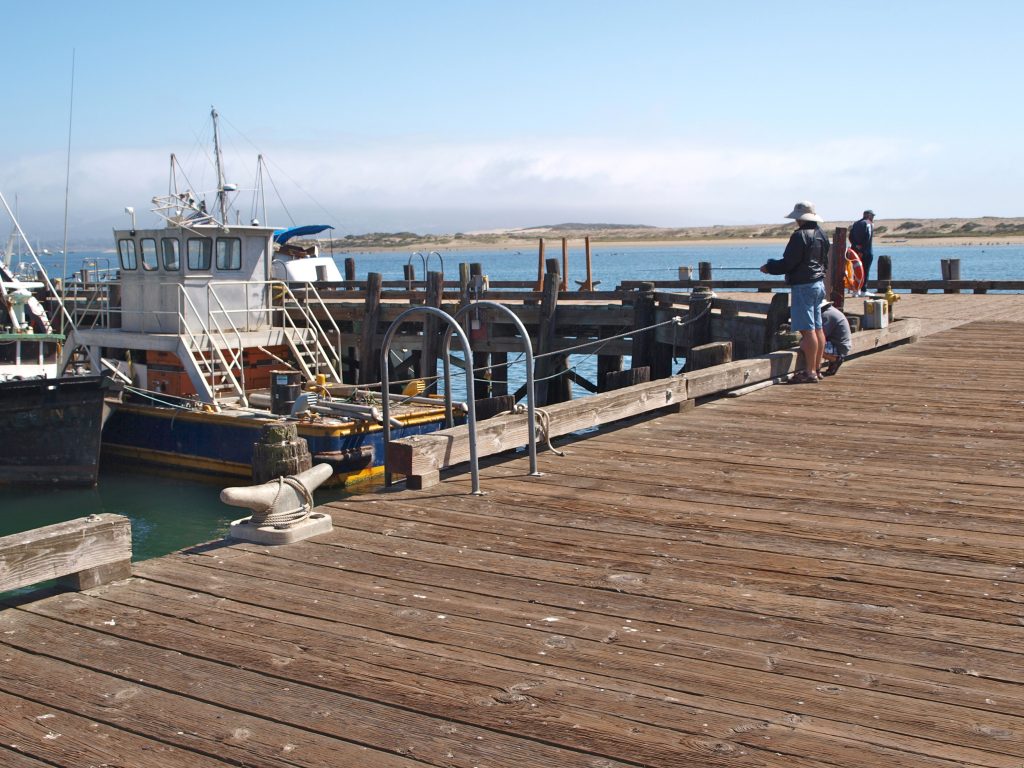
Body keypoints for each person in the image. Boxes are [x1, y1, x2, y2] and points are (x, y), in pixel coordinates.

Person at [760, 201, 829, 383]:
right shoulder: (822, 234)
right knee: (818, 327)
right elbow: (825, 262)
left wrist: (769, 267)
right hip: (818, 285)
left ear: (800, 218)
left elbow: (788, 262)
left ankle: (810, 372)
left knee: (807, 331)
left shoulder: (799, 236)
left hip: (804, 287)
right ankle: (817, 368)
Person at [820, 300, 852, 376]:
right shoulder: (832, 311)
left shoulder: (826, 315)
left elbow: (822, 335)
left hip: (839, 346)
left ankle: (834, 359)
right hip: (841, 344)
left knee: (810, 345)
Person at [849, 209, 875, 295]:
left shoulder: (855, 223)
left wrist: (856, 246)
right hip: (866, 251)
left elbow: (850, 236)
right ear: (869, 216)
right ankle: (863, 290)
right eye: (872, 216)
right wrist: (862, 249)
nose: (873, 218)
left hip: (855, 251)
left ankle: (856, 290)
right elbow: (867, 237)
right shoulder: (868, 224)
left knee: (856, 270)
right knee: (865, 270)